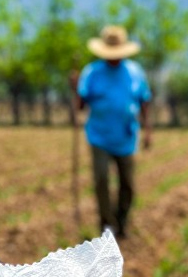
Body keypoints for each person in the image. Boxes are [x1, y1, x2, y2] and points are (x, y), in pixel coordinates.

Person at [70, 25, 153, 239]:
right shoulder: (92, 72)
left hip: (126, 137)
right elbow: (80, 105)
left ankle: (122, 223)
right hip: (99, 136)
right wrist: (75, 88)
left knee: (128, 185)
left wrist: (148, 131)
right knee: (101, 180)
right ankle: (107, 226)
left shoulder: (135, 72)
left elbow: (144, 101)